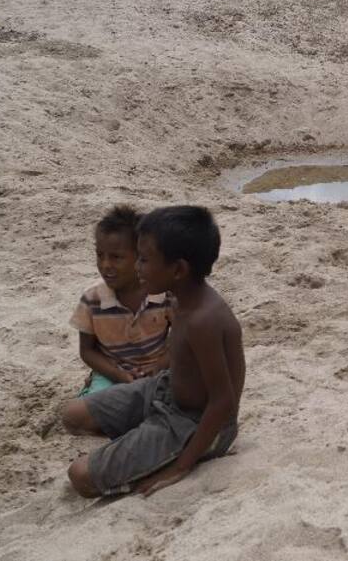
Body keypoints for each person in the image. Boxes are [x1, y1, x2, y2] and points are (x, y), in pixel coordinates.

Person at [60, 206, 246, 497]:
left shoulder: (204, 320)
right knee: (71, 415)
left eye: (144, 260)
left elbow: (223, 402)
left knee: (80, 476)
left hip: (191, 424)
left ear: (178, 270)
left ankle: (159, 455)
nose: (137, 268)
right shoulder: (178, 300)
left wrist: (181, 466)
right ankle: (144, 444)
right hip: (165, 392)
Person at [70, 205, 171, 397]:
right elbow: (87, 351)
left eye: (116, 257)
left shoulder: (164, 295)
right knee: (88, 411)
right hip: (111, 372)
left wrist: (159, 366)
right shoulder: (92, 300)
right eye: (100, 255)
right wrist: (117, 374)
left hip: (160, 369)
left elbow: (181, 338)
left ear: (141, 256)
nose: (105, 265)